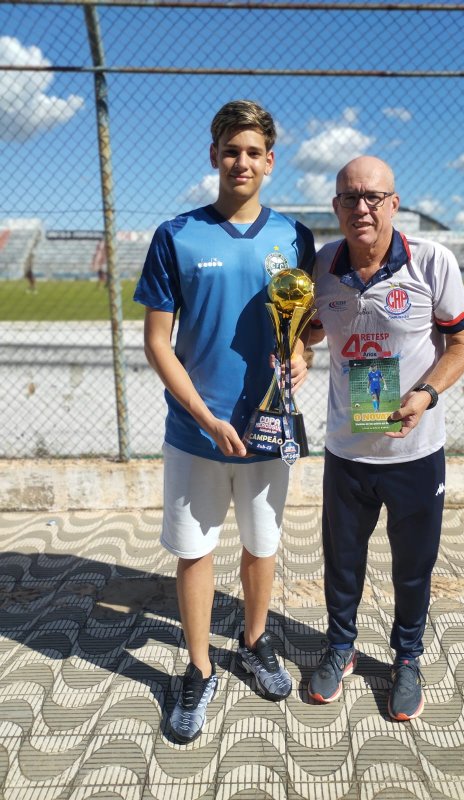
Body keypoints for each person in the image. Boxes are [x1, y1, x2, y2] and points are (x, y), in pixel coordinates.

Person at [134, 100, 315, 743]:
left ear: (271, 161)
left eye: (254, 152)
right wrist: (205, 416)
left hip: (268, 428)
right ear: (214, 155)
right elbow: (158, 342)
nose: (242, 161)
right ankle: (198, 667)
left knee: (262, 545)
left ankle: (256, 642)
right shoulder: (175, 234)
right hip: (197, 431)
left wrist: (300, 355)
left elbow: (302, 327)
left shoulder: (294, 236)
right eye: (231, 150)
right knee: (195, 550)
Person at [306, 156, 464, 721]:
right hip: (347, 451)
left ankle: (407, 658)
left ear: (394, 203)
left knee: (413, 566)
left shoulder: (432, 262)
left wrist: (425, 394)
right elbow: (302, 332)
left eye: (374, 197)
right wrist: (298, 354)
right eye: (350, 197)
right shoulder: (321, 268)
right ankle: (339, 648)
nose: (362, 207)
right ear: (335, 207)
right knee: (343, 562)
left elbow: (462, 345)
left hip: (414, 452)